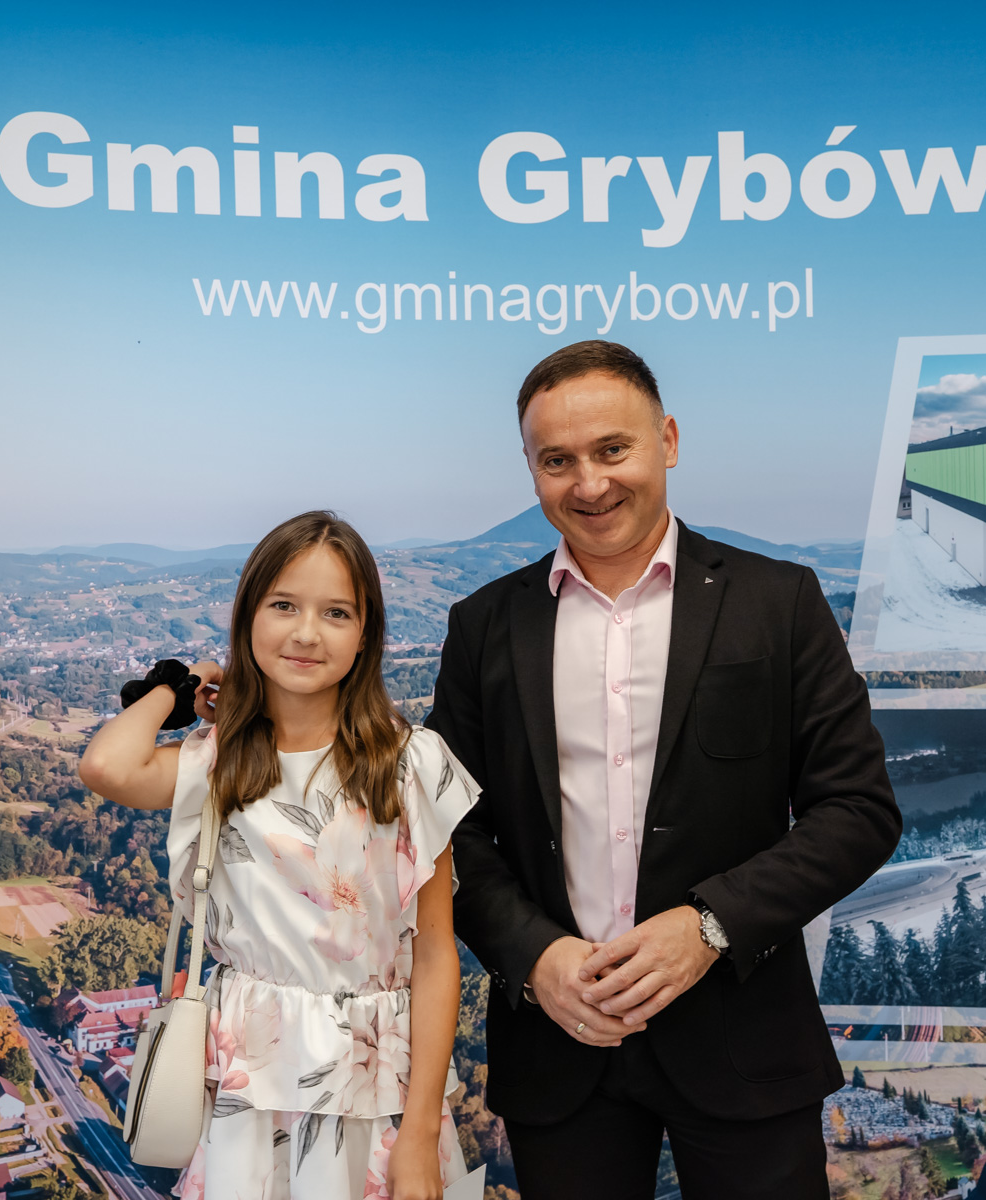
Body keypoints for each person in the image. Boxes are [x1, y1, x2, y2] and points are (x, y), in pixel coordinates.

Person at [426, 341, 901, 1199]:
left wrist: (709, 926)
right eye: (557, 461)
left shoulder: (779, 601)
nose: (590, 484)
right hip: (560, 1044)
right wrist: (535, 956)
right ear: (531, 468)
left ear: (668, 440)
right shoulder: (482, 625)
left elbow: (858, 810)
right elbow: (449, 829)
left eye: (614, 449)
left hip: (744, 1037)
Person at [79, 511, 477, 1200]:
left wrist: (418, 1135)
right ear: (248, 619)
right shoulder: (218, 761)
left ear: (365, 635)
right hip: (247, 1095)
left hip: (375, 1094)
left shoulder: (412, 764)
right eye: (284, 605)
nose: (306, 632)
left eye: (336, 613)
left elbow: (438, 957)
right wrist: (181, 685)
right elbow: (106, 766)